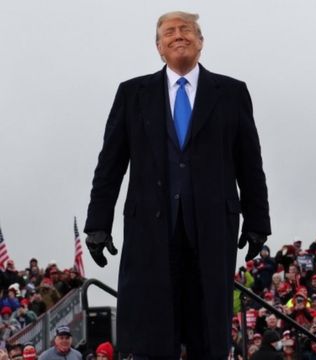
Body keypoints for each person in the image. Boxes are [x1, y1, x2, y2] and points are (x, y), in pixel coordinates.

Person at [84, 11, 271, 359]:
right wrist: (97, 223)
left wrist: (259, 221)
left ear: (200, 42)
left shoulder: (231, 93)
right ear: (158, 46)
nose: (178, 36)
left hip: (212, 226)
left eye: (186, 30)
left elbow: (249, 163)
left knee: (208, 331)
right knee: (153, 328)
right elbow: (109, 165)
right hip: (151, 228)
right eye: (168, 32)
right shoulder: (132, 94)